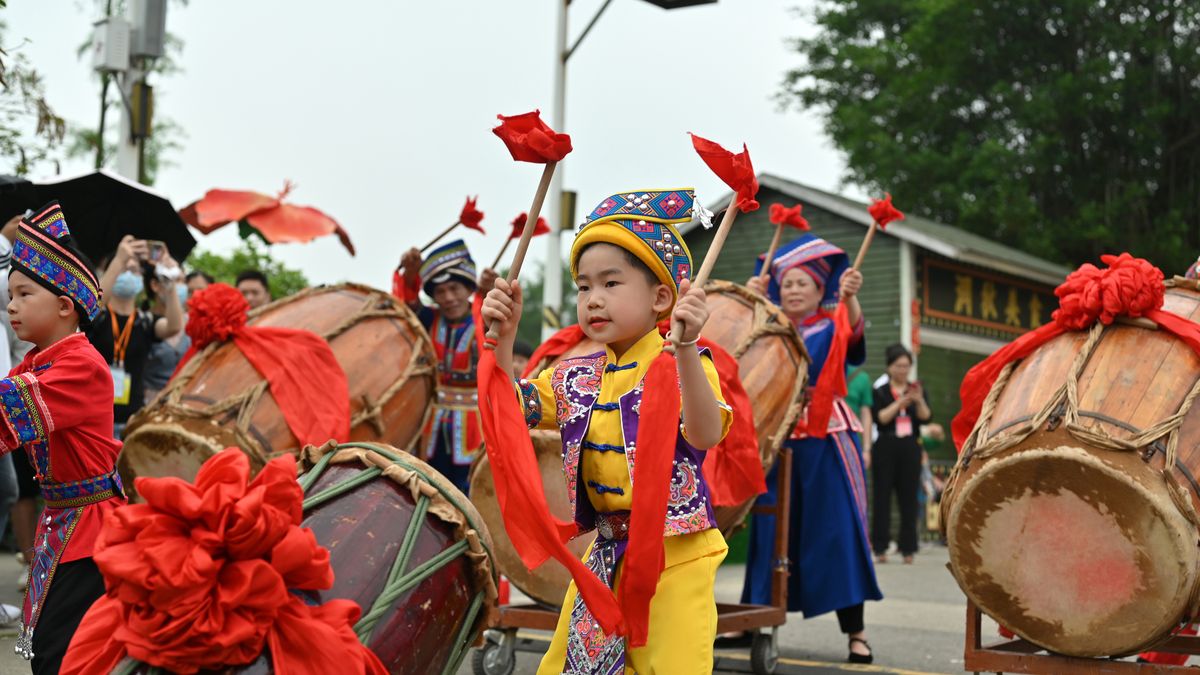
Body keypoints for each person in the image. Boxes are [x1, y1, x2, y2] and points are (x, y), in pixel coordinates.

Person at [483, 188, 732, 674]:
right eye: (583, 287)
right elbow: (504, 414)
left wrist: (685, 348)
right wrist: (504, 337)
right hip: (604, 557)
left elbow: (704, 435)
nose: (593, 300)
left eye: (611, 284)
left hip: (675, 557)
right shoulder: (573, 375)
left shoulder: (683, 365)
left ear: (662, 296)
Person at [738, 234, 881, 664]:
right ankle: (751, 620)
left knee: (835, 530)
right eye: (788, 283)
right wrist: (751, 299)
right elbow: (734, 350)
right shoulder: (769, 326)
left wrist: (851, 299)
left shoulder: (831, 324)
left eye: (804, 283)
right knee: (768, 529)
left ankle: (855, 633)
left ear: (822, 290)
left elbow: (854, 338)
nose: (794, 289)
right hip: (775, 436)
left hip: (826, 435)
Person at [1, 202, 127, 672]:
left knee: (63, 653)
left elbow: (3, 411)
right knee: (50, 649)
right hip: (63, 523)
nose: (10, 305)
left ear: (63, 305)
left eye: (23, 294)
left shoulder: (81, 365)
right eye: (10, 294)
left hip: (90, 532)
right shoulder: (35, 364)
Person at [395, 241, 496, 492]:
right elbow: (408, 304)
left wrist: (487, 292)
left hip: (476, 424)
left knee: (469, 487)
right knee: (430, 484)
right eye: (440, 292)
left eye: (454, 288)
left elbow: (496, 319)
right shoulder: (429, 319)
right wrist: (409, 275)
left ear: (469, 288)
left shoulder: (483, 318)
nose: (448, 298)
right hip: (432, 422)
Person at [87, 236, 183, 437]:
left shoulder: (145, 321)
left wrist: (170, 281)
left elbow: (174, 326)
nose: (129, 274)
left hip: (131, 418)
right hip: (93, 417)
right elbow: (91, 307)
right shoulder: (99, 316)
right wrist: (119, 260)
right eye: (124, 269)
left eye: (134, 270)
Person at [871, 343, 932, 564]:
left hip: (909, 447)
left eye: (906, 366)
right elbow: (881, 418)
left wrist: (918, 400)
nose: (902, 370)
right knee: (882, 497)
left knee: (908, 498)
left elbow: (926, 417)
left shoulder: (917, 389)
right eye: (898, 366)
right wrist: (899, 403)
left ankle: (908, 548)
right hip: (886, 446)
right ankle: (880, 547)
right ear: (889, 367)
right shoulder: (880, 391)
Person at [143, 265, 193, 402]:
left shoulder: (193, 323)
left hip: (182, 401)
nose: (179, 287)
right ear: (155, 285)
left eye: (182, 281)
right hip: (148, 402)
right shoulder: (142, 322)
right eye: (174, 280)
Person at [846, 365, 875, 468]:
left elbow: (866, 414)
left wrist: (866, 449)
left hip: (851, 438)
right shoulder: (819, 372)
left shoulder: (861, 377)